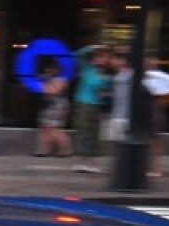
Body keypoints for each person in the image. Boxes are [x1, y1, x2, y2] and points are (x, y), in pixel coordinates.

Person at [71, 44, 111, 173]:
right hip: (83, 103)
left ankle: (92, 162)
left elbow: (108, 91)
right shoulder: (87, 68)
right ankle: (82, 161)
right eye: (99, 58)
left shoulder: (106, 75)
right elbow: (78, 54)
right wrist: (94, 47)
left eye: (104, 58)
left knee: (94, 133)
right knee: (83, 131)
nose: (101, 60)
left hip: (96, 105)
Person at [143, 59, 169, 178]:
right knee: (151, 140)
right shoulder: (145, 77)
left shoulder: (157, 77)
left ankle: (155, 168)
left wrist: (164, 90)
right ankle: (151, 167)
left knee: (155, 140)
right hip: (149, 108)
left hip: (154, 108)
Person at [33, 60, 72, 158]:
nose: (48, 71)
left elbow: (53, 92)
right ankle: (44, 150)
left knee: (55, 129)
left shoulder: (61, 80)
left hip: (57, 106)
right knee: (45, 128)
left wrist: (44, 86)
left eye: (51, 69)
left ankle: (65, 150)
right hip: (49, 105)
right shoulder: (49, 80)